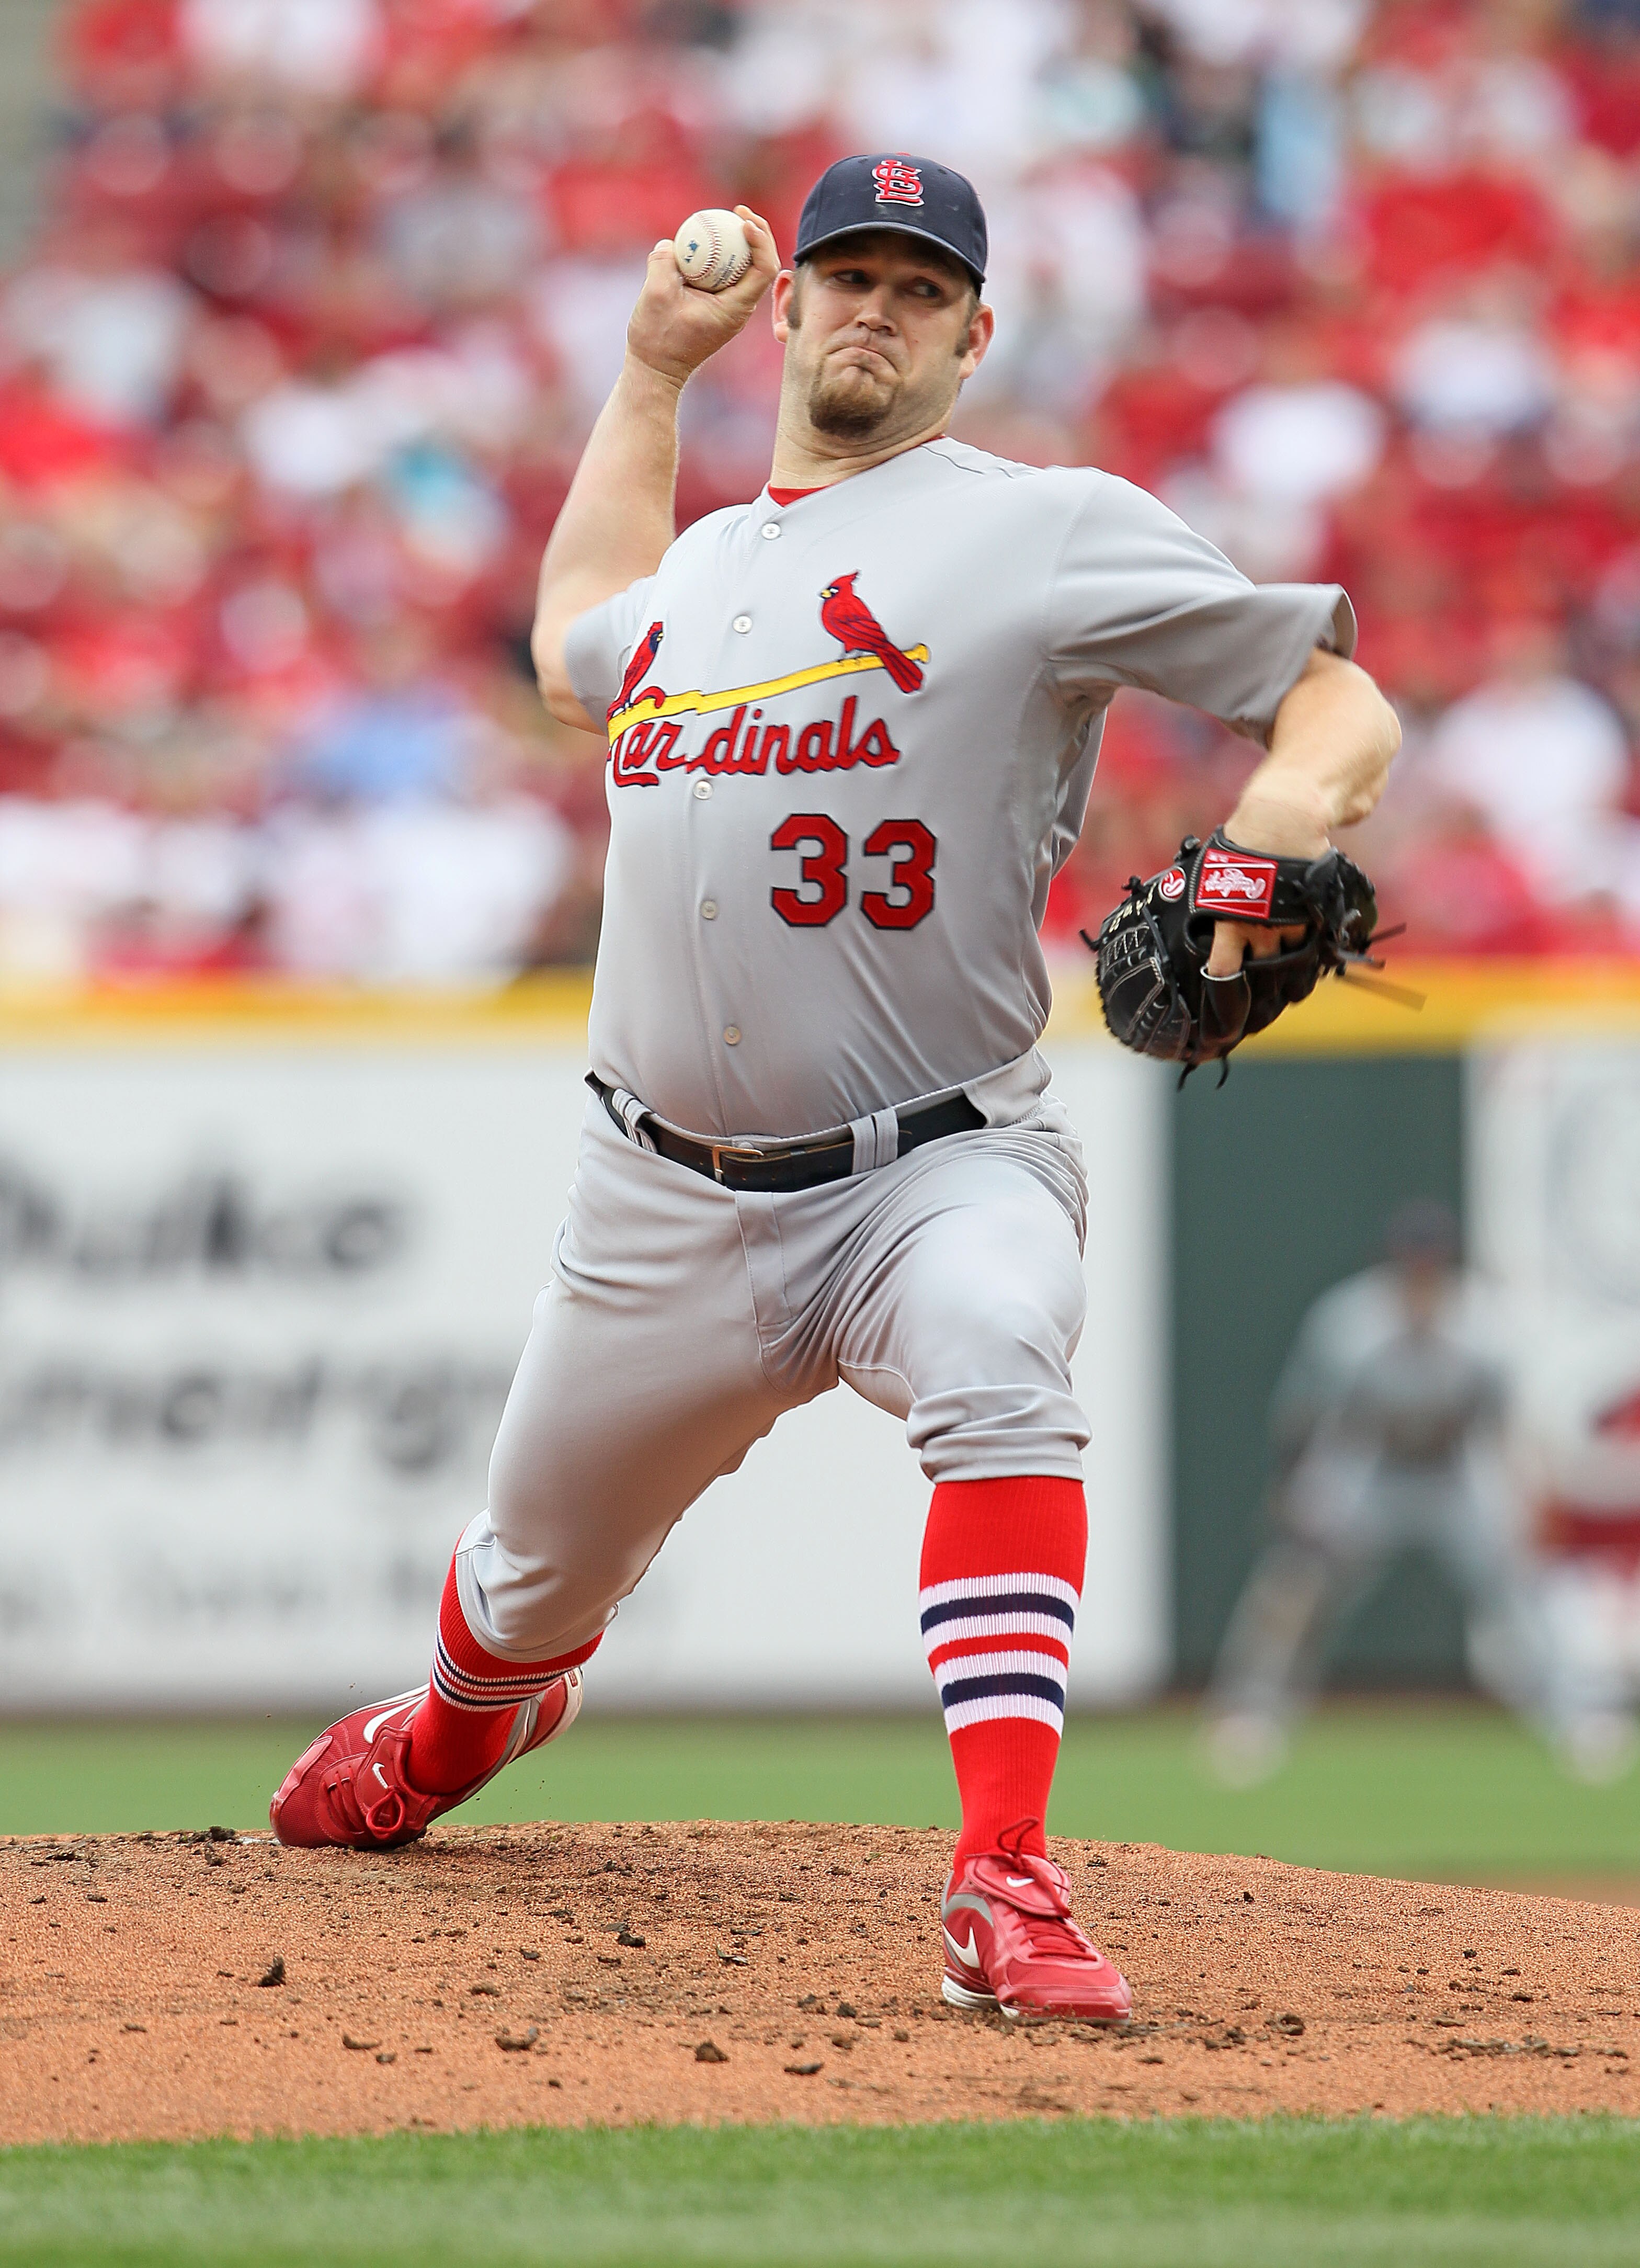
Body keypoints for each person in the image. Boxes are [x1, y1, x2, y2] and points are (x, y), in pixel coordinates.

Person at [270, 153, 1400, 2021]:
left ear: (972, 335)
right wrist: (647, 376)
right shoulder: (703, 573)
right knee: (517, 1610)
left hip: (931, 1168)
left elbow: (1333, 692)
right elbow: (573, 644)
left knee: (996, 1353)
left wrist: (1279, 830)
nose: (876, 307)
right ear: (783, 308)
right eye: (848, 274)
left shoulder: (1037, 529)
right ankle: (453, 1732)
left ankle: (1004, 1879)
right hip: (658, 1198)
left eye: (919, 286)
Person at [1204, 1200, 1591, 1784]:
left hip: (1452, 1475)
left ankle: (1576, 1717)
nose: (1420, 1278)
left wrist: (1525, 1492)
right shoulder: (1350, 1320)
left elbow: (1504, 1422)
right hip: (1368, 1471)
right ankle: (1250, 1714)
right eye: (1411, 1265)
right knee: (1294, 1586)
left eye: (1430, 1266)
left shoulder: (1483, 1322)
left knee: (1519, 1584)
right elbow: (1305, 1413)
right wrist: (1293, 1489)